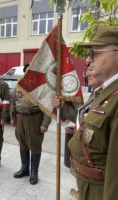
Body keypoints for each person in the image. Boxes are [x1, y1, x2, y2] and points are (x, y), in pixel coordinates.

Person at [52, 26, 118, 200]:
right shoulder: (103, 93)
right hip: (87, 186)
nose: (88, 60)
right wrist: (64, 108)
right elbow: (86, 122)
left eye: (95, 53)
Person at [10, 64, 51, 185]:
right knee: (22, 143)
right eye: (26, 71)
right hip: (20, 118)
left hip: (34, 118)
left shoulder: (41, 87)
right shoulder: (19, 85)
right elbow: (13, 102)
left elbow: (48, 106)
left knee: (35, 145)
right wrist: (13, 118)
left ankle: (34, 172)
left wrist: (45, 123)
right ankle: (24, 169)